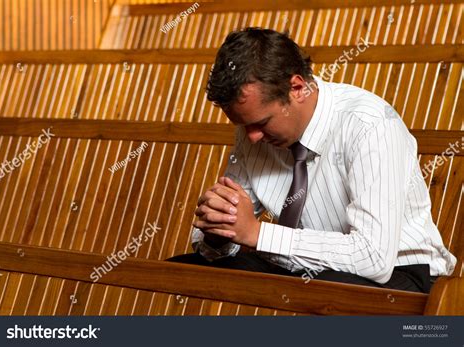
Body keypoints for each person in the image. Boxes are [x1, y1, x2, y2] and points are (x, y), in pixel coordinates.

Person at [167, 27, 456, 293]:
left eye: (261, 122)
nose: (252, 137)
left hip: (400, 273)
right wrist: (220, 233)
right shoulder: (253, 132)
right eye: (244, 125)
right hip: (304, 267)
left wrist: (257, 233)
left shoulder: (369, 124)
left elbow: (373, 258)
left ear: (296, 88)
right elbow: (228, 234)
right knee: (178, 270)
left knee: (322, 289)